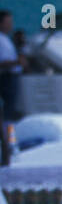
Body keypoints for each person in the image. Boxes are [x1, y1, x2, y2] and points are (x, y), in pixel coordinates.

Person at [0, 10, 22, 165]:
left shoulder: (5, 39)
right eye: (8, 22)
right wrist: (17, 63)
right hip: (6, 78)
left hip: (11, 78)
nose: (11, 25)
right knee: (7, 116)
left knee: (10, 115)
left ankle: (10, 144)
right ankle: (9, 144)